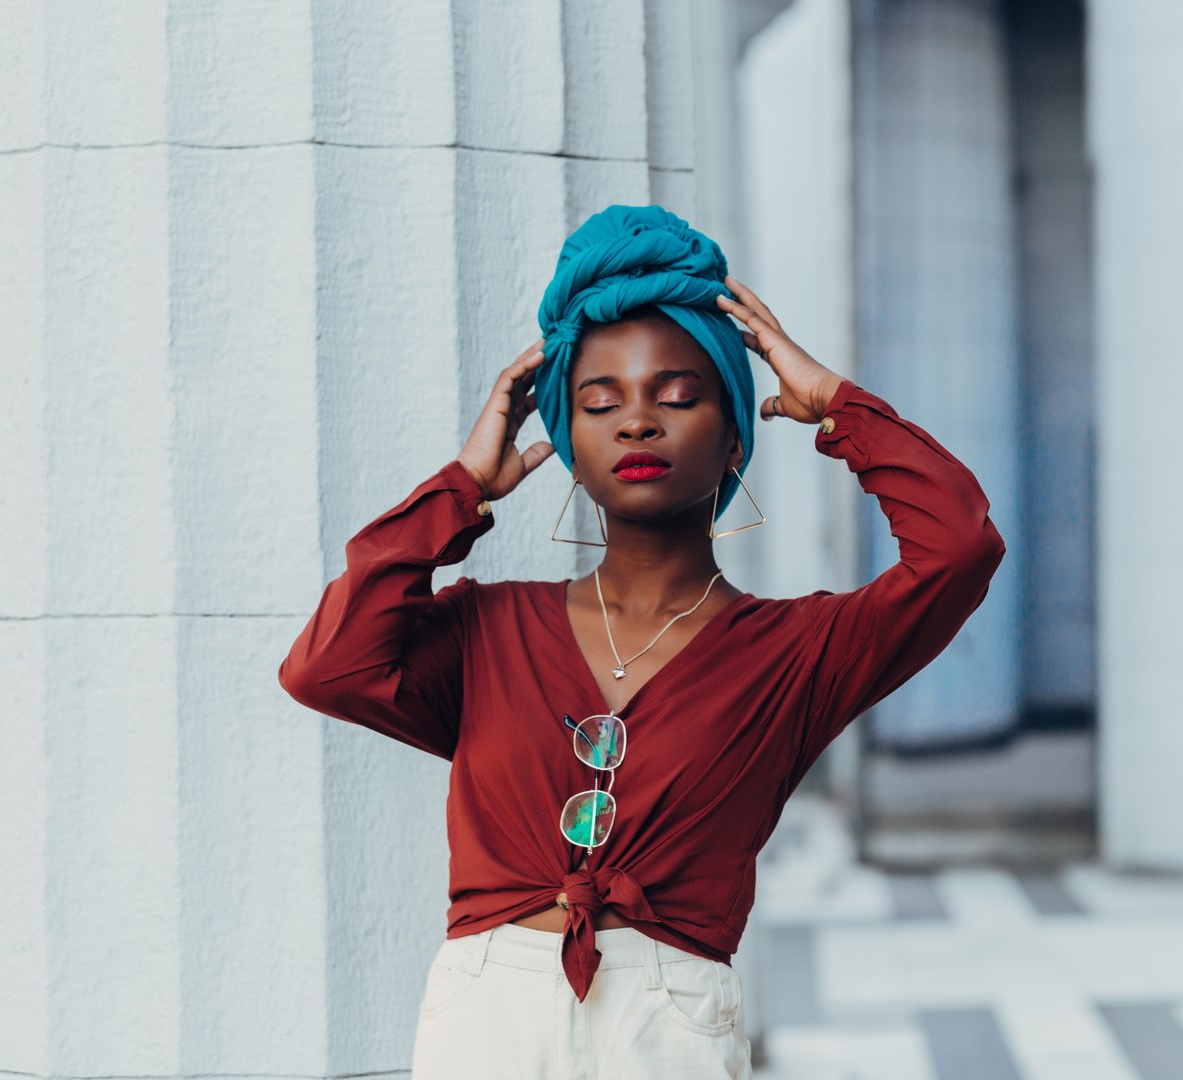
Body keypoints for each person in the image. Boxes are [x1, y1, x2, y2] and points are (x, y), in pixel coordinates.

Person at [277, 204, 1006, 1078]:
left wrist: (834, 404)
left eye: (678, 395)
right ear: (571, 445)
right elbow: (328, 667)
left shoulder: (796, 653)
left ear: (734, 437)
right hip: (485, 1019)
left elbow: (959, 546)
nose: (636, 422)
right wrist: (463, 488)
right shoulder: (487, 630)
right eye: (599, 402)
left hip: (671, 1030)